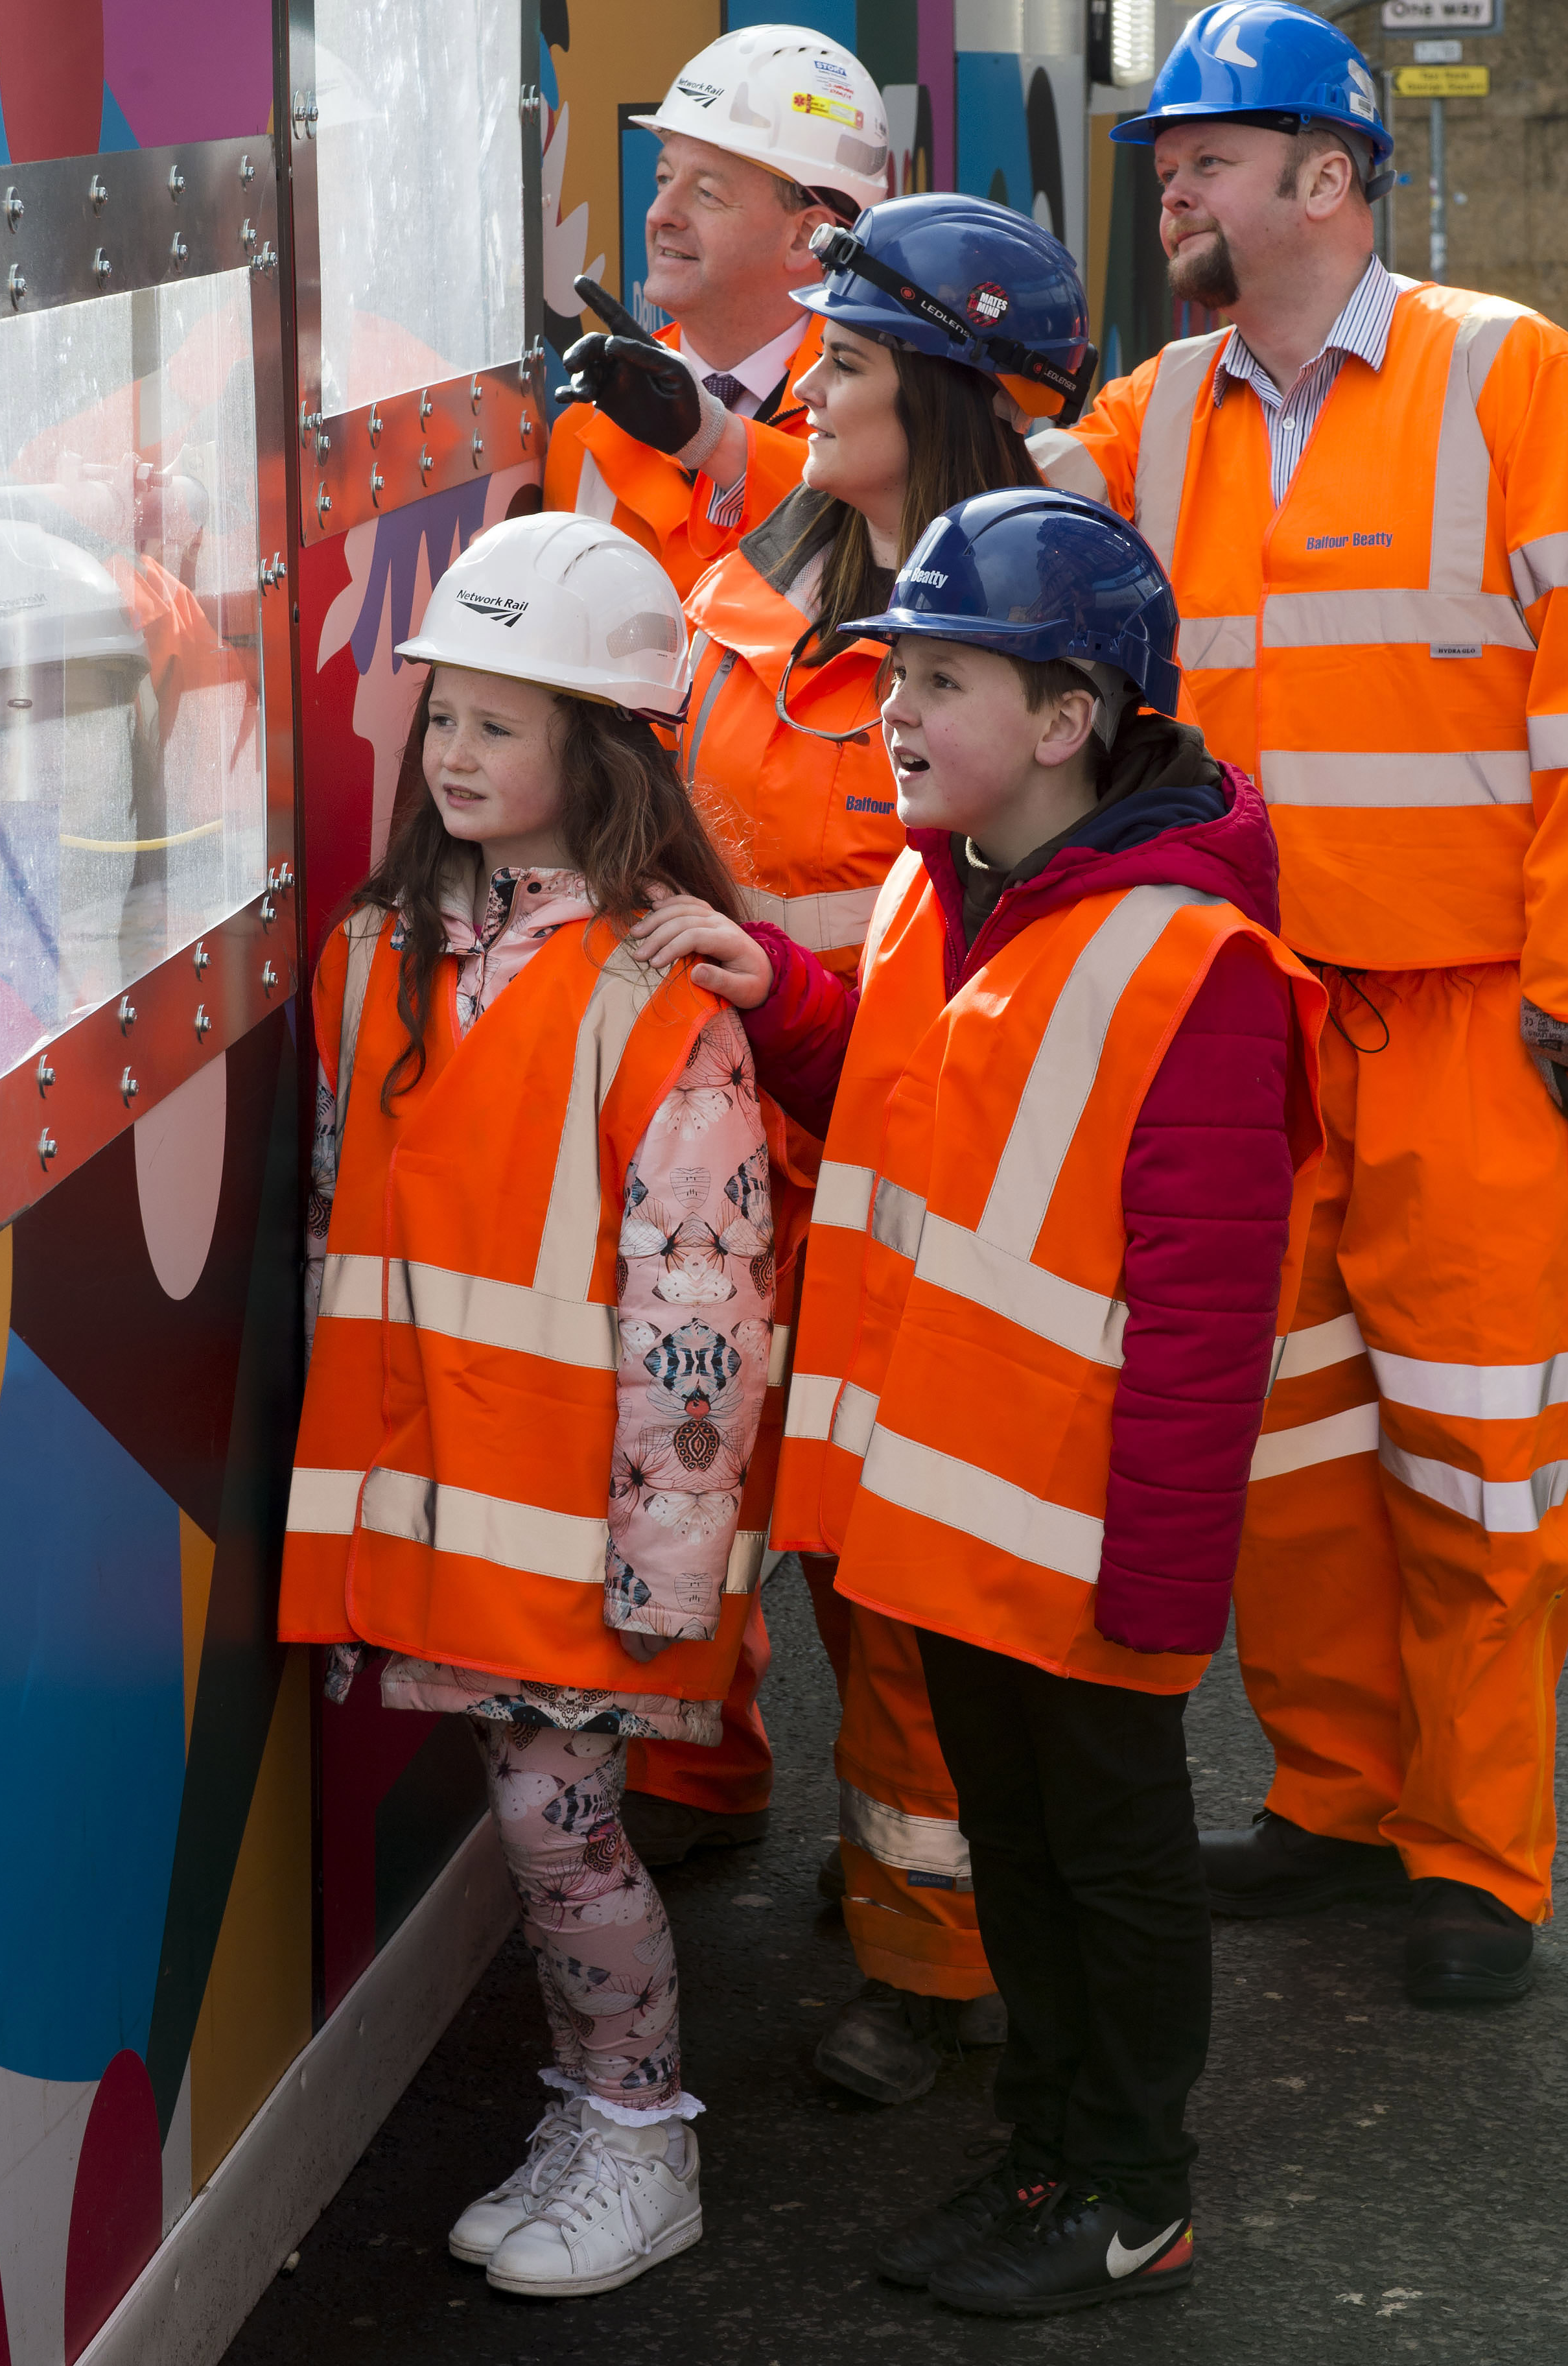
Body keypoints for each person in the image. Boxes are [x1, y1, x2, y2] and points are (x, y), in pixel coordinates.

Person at [1032, 0, 1568, 2004]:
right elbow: (972, 500)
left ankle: (1477, 1855)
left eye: (1209, 158)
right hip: (1254, 1025)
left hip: (1488, 1028)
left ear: (1328, 177)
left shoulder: (1516, 379)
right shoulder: (1150, 417)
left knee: (1482, 1461)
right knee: (1292, 1454)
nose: (1176, 186)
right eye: (1166, 159)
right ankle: (1334, 1798)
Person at [637, 488, 1324, 2315]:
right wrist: (775, 987)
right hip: (954, 1515)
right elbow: (905, 1098)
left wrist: (1168, 1589)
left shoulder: (1196, 966)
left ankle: (1128, 2189)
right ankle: (1045, 2150)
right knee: (1020, 1859)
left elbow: (1201, 1314)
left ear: (1069, 718)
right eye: (893, 676)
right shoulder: (935, 894)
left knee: (1106, 1864)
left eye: (942, 680)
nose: (894, 715)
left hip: (1082, 1542)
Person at [277, 513, 779, 2299]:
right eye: (441, 721)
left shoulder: (665, 994)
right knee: (540, 1827)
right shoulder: (373, 955)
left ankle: (645, 2136)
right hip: (438, 1508)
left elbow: (699, 1316)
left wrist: (667, 1569)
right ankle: (595, 2101)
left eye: (503, 721)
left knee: (556, 1837)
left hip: (576, 1525)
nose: (457, 756)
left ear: (604, 747)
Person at [633, 198, 1097, 2107]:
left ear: (956, 395)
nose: (803, 387)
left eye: (846, 360)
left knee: (906, 1606)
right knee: (723, 1530)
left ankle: (937, 1953)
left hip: (927, 1205)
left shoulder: (1040, 642)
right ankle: (735, 1805)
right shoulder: (765, 580)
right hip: (740, 1184)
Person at [544, 27, 889, 593]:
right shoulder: (589, 427)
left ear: (809, 238)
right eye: (663, 178)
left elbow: (894, 541)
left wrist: (713, 440)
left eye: (706, 193)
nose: (661, 212)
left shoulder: (889, 420)